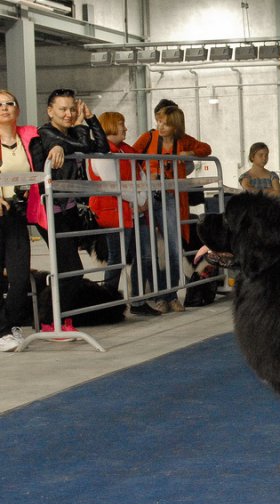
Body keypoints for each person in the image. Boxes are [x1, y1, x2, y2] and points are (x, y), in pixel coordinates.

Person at [36, 88, 109, 332]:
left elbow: (101, 147)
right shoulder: (45, 133)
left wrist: (91, 118)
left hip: (68, 210)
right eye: (62, 109)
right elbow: (83, 145)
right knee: (71, 270)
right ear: (50, 111)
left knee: (70, 269)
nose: (68, 114)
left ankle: (61, 317)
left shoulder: (70, 135)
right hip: (49, 212)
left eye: (72, 109)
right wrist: (78, 127)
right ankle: (49, 320)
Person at [132, 105, 211, 314]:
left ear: (175, 126)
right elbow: (130, 156)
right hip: (147, 198)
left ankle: (172, 295)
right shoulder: (148, 137)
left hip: (171, 198)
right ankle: (158, 296)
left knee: (174, 248)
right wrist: (144, 175)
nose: (160, 126)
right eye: (159, 121)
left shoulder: (183, 140)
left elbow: (206, 148)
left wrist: (189, 153)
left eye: (165, 123)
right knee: (149, 252)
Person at [0, 89, 62, 351]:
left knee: (20, 276)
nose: (4, 108)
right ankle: (3, 330)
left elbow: (50, 139)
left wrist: (56, 145)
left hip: (16, 215)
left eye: (9, 103)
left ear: (18, 109)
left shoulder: (29, 135)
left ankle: (10, 324)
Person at [87, 112, 160, 317]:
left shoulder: (126, 150)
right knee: (117, 259)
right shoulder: (102, 153)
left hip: (134, 211)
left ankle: (137, 300)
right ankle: (108, 303)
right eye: (121, 124)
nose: (125, 128)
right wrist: (140, 201)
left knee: (143, 255)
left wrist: (142, 200)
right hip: (115, 214)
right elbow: (113, 184)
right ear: (110, 126)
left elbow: (140, 176)